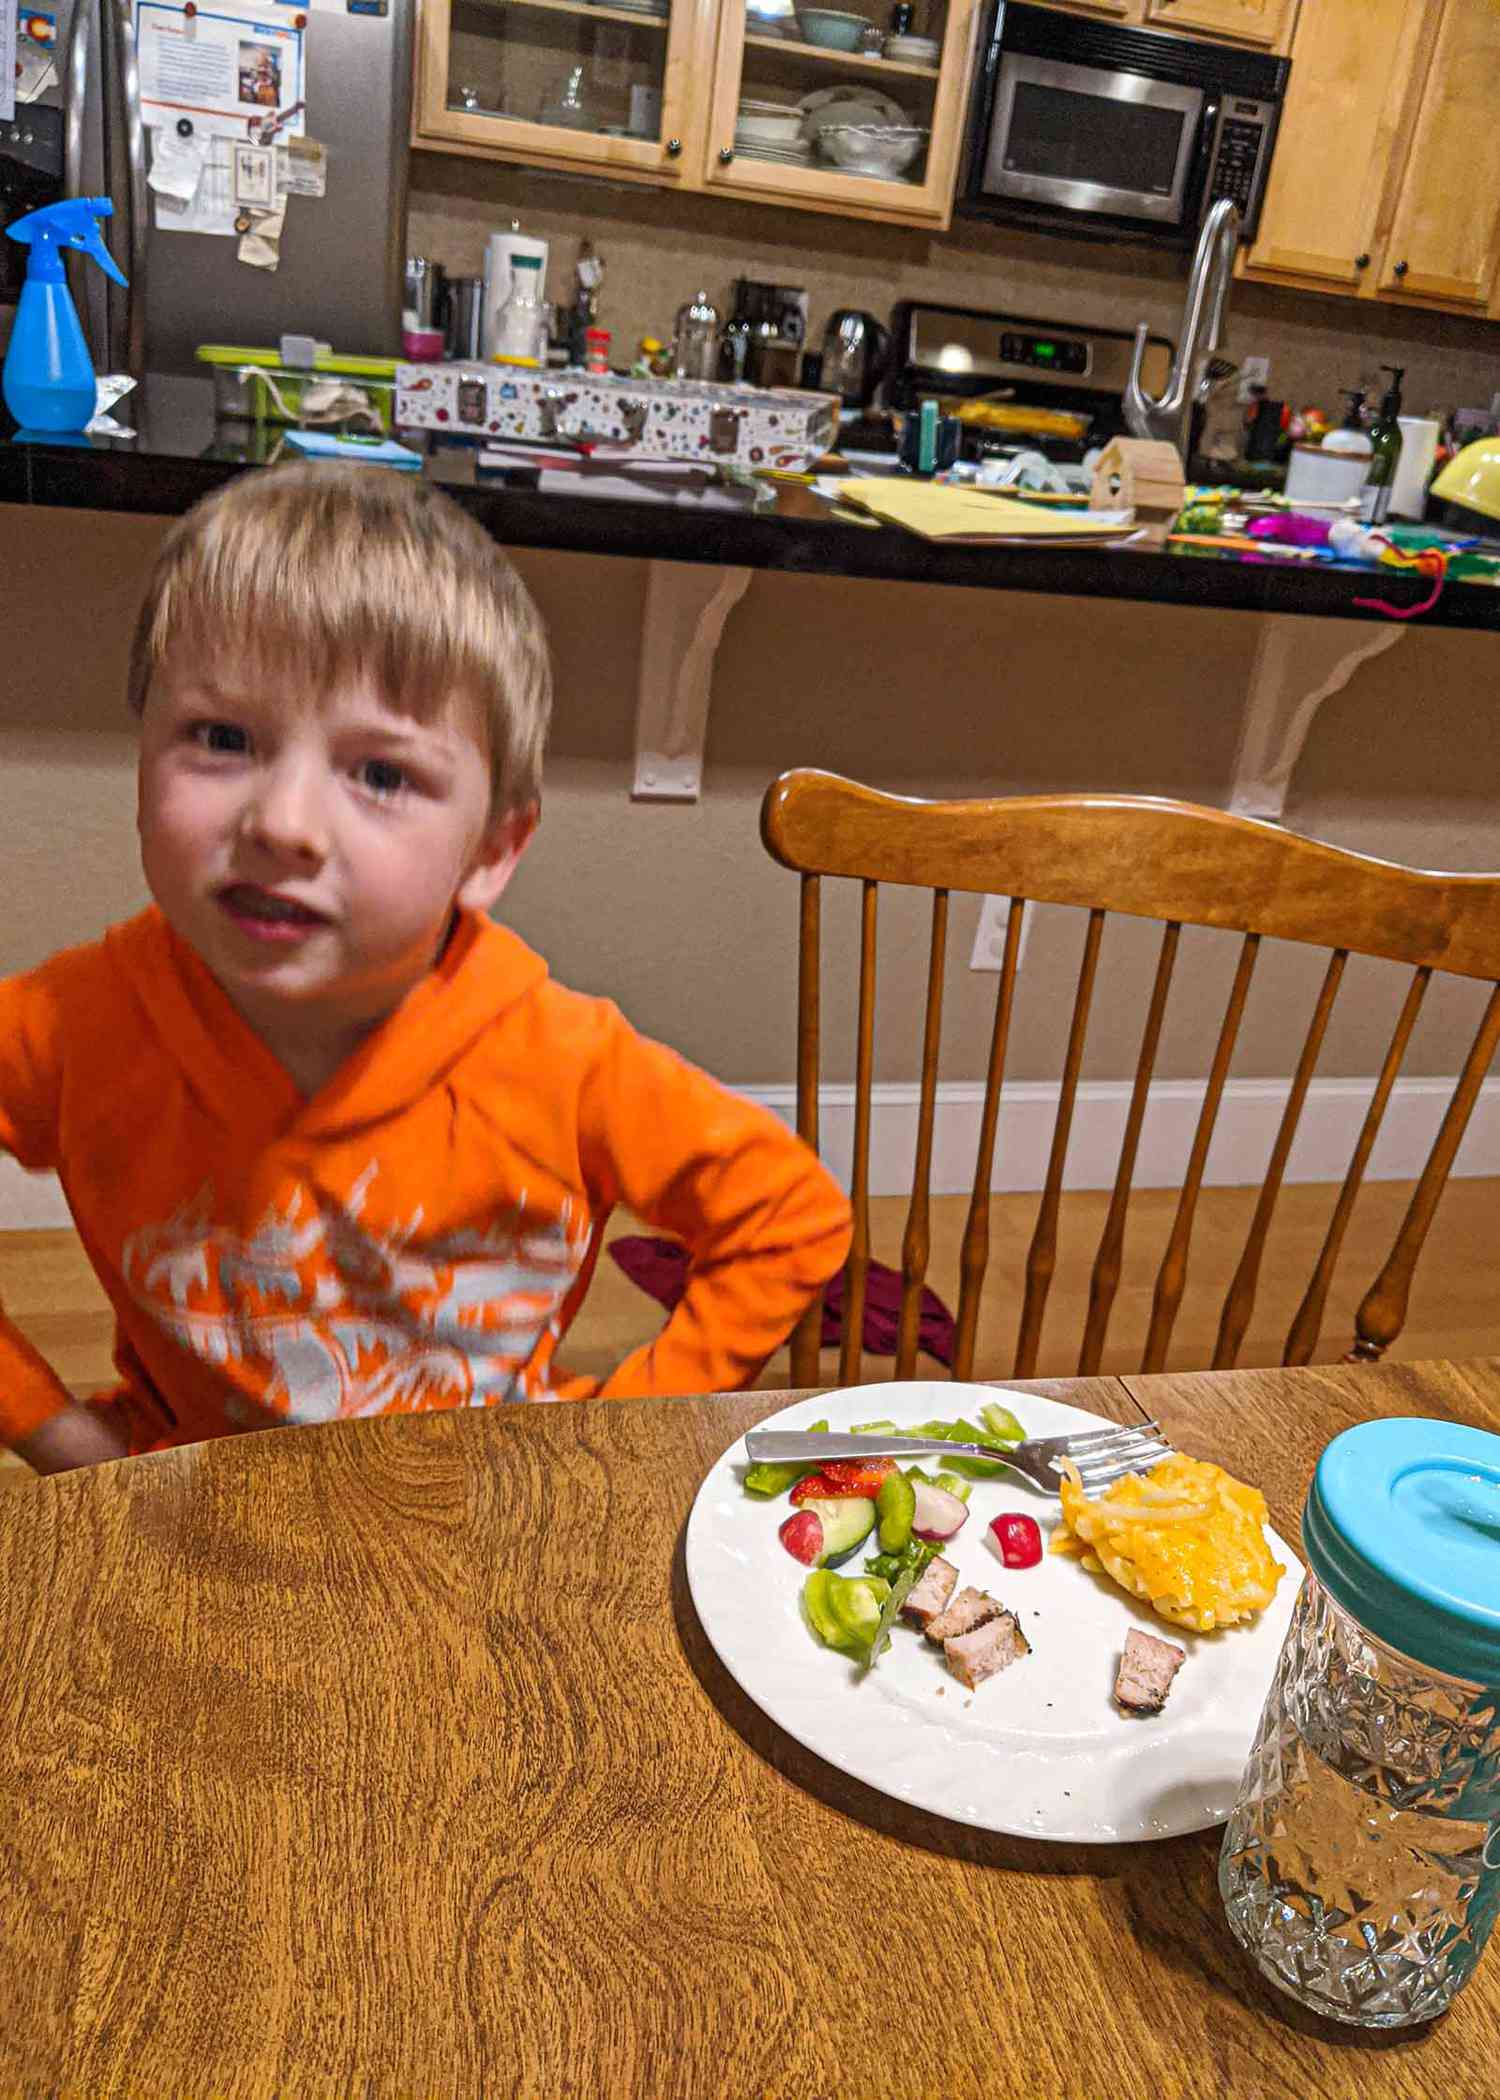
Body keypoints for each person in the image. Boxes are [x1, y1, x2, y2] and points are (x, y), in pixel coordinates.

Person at [0, 463, 850, 1473]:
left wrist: (615, 1441)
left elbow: (789, 1216)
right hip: (198, 1512)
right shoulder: (70, 1024)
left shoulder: (561, 1061)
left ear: (491, 852)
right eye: (222, 738)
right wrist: (54, 1432)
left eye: (381, 773)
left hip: (481, 1510)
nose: (282, 824)